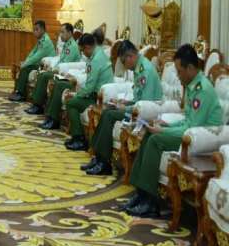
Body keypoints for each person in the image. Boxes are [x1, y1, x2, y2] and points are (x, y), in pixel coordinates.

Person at [124, 44, 223, 217]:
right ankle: (141, 193)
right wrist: (166, 126)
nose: (178, 75)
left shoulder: (203, 90)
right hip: (191, 134)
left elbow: (192, 127)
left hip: (200, 142)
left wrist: (162, 132)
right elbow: (187, 120)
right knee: (149, 134)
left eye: (179, 71)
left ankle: (150, 202)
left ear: (190, 68)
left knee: (156, 140)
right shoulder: (193, 85)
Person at [82, 40, 162, 176]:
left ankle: (104, 163)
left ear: (130, 56)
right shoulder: (139, 67)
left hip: (145, 116)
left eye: (124, 62)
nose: (124, 66)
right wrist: (126, 102)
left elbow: (145, 106)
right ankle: (98, 158)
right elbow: (138, 100)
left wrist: (125, 108)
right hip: (139, 109)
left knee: (109, 115)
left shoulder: (145, 71)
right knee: (107, 111)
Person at [25, 23, 80, 115]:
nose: (60, 35)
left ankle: (38, 106)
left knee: (44, 76)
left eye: (63, 32)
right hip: (61, 71)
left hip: (66, 74)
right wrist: (52, 68)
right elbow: (60, 60)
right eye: (60, 32)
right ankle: (36, 104)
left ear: (70, 33)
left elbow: (65, 64)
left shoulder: (72, 47)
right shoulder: (67, 44)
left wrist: (54, 70)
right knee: (42, 74)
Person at [10, 20, 55, 102]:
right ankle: (18, 91)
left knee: (25, 68)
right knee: (25, 66)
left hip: (47, 66)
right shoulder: (41, 40)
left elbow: (37, 57)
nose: (34, 32)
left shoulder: (46, 42)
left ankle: (21, 94)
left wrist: (25, 64)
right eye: (34, 30)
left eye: (37, 29)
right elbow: (33, 53)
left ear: (43, 30)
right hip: (40, 64)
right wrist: (25, 61)